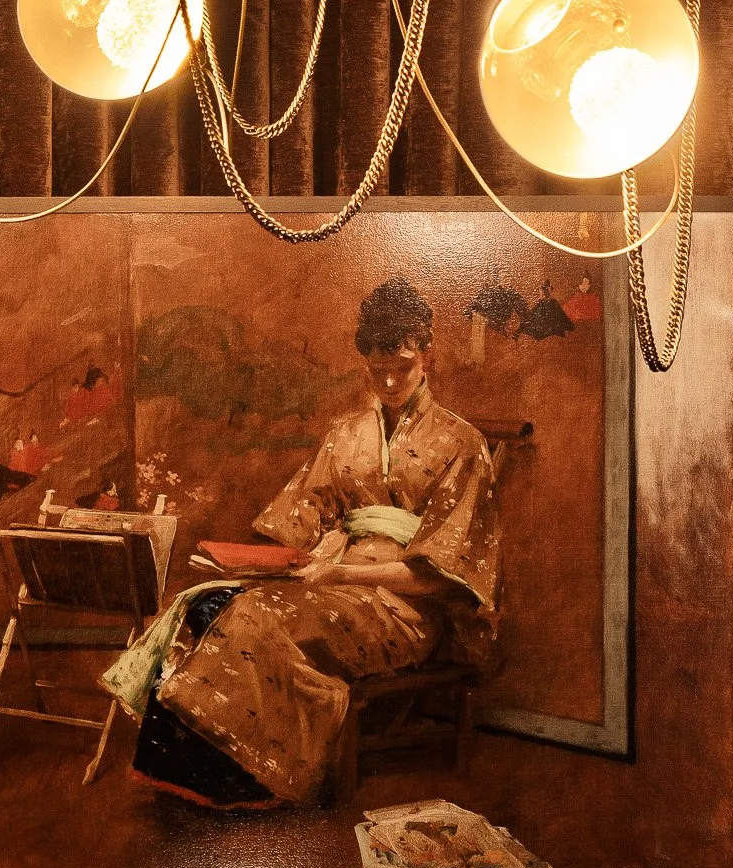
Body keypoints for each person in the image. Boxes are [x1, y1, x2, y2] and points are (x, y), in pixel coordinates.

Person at [109, 276, 500, 808]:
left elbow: (441, 576)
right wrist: (266, 560)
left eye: (402, 366)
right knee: (211, 603)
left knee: (256, 618)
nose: (387, 380)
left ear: (426, 355)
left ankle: (257, 775)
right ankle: (197, 768)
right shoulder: (347, 432)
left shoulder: (462, 444)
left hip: (403, 608)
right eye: (375, 367)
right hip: (331, 582)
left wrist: (342, 573)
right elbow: (301, 518)